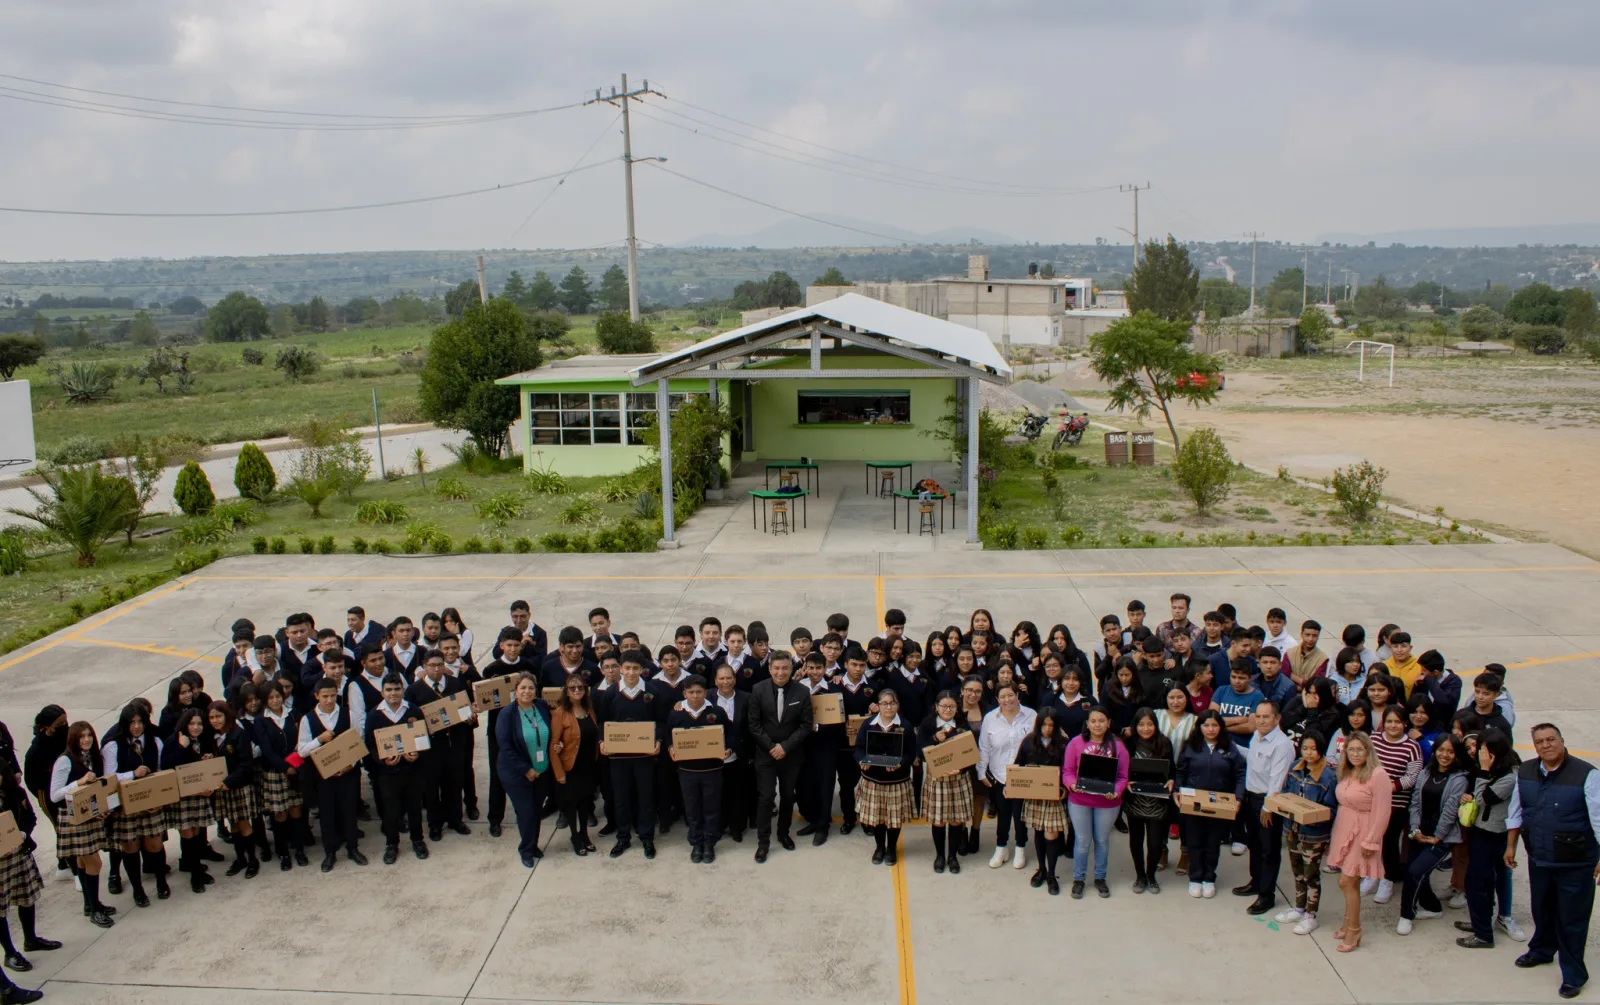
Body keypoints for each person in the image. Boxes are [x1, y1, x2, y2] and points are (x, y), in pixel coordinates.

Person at [1505, 723, 1600, 998]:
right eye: (1539, 742)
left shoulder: (1587, 774)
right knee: (1542, 910)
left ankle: (1573, 974)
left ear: (1561, 740)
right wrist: (1511, 846)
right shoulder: (1525, 771)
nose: (1546, 745)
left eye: (1551, 739)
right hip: (1540, 857)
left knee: (1572, 920)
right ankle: (1542, 950)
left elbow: (1598, 817)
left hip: (1576, 863)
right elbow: (1516, 811)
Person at [1326, 731, 1393, 953]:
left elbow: (1383, 812)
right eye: (1351, 750)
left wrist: (1371, 841)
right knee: (1349, 882)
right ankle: (1347, 924)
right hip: (1344, 828)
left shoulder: (1378, 774)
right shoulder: (1348, 771)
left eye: (1359, 749)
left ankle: (1355, 930)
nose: (1355, 754)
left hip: (1364, 833)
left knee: (1346, 881)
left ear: (1368, 751)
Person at [1456, 727, 1522, 949]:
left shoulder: (1509, 777)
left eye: (1483, 748)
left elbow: (1485, 798)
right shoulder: (1494, 769)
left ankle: (1483, 934)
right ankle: (1480, 922)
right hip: (1481, 831)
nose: (1478, 752)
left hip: (1492, 835)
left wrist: (1483, 770)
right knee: (1484, 882)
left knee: (1476, 883)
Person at [1398, 734, 1468, 935]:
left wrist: (1437, 836)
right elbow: (1415, 803)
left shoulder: (1459, 779)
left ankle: (1406, 915)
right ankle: (1433, 907)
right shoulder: (1425, 773)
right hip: (1420, 830)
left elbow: (1450, 810)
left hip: (1442, 837)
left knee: (1415, 872)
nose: (1444, 755)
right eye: (1441, 750)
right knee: (1414, 871)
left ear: (1456, 755)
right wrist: (1415, 829)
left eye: (1450, 751)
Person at [296, 677, 368, 872]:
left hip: (347, 774)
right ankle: (330, 852)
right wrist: (319, 739)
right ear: (317, 696)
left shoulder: (349, 715)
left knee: (349, 810)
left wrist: (350, 764)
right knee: (327, 814)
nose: (329, 700)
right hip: (323, 776)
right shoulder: (308, 719)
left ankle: (353, 848)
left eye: (333, 695)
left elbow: (359, 741)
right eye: (325, 696)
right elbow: (302, 751)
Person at [101, 703, 170, 905]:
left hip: (150, 803)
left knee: (155, 843)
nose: (136, 727)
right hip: (125, 807)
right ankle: (138, 890)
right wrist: (133, 774)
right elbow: (109, 777)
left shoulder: (155, 741)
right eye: (132, 722)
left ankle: (161, 882)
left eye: (140, 722)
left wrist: (158, 799)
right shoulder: (113, 746)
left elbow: (160, 770)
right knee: (130, 847)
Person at [747, 651, 812, 864]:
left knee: (787, 796)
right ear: (770, 669)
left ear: (791, 669)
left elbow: (805, 725)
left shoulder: (802, 692)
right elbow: (754, 724)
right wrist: (771, 746)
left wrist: (785, 747)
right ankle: (763, 842)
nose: (781, 672)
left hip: (791, 755)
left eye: (785, 668)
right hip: (765, 755)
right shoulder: (758, 690)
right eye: (776, 668)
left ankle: (783, 834)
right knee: (766, 797)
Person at [598, 652, 662, 860]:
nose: (631, 673)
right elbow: (601, 722)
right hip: (619, 758)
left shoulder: (651, 692)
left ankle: (646, 838)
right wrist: (602, 742)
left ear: (642, 670)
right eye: (627, 668)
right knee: (621, 798)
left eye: (635, 669)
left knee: (646, 797)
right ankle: (623, 837)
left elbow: (660, 722)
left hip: (644, 756)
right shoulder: (610, 694)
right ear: (620, 669)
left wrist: (658, 742)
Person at [404, 651, 474, 842]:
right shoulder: (414, 690)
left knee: (454, 783)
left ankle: (455, 819)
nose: (436, 669)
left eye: (439, 665)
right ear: (425, 667)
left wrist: (469, 717)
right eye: (432, 665)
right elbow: (410, 721)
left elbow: (464, 707)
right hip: (430, 748)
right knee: (432, 788)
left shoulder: (454, 684)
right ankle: (435, 824)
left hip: (454, 743)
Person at [1060, 706, 1129, 899]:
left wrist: (1116, 791)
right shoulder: (1075, 743)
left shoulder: (1118, 746)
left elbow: (1123, 776)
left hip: (1107, 803)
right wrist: (1072, 785)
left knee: (1101, 840)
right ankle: (1079, 879)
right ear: (1087, 724)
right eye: (1093, 721)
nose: (1097, 725)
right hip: (1080, 799)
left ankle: (1100, 877)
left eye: (1101, 720)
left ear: (1108, 723)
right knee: (1082, 841)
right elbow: (1067, 771)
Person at [1176, 709, 1245, 898]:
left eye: (1215, 725)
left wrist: (1238, 798)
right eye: (1206, 725)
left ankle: (1209, 877)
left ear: (1221, 727)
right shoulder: (1191, 746)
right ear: (1200, 727)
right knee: (1194, 841)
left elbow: (1240, 774)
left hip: (1219, 804)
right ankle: (1195, 877)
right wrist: (1177, 791)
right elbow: (1181, 772)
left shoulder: (1229, 747)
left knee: (1213, 842)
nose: (1211, 729)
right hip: (1194, 801)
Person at [1276, 730, 1339, 935]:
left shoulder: (1328, 776)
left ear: (1321, 750)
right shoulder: (1295, 767)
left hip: (1313, 834)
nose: (1309, 753)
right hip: (1292, 828)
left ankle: (1311, 915)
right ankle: (1299, 906)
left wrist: (1312, 814)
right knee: (1297, 871)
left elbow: (1331, 810)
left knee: (1311, 873)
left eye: (1313, 749)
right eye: (1305, 748)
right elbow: (1286, 793)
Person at [364, 673, 428, 864]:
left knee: (414, 808)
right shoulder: (374, 715)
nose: (393, 693)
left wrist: (418, 754)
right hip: (388, 774)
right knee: (390, 811)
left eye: (397, 689)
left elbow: (423, 738)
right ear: (382, 692)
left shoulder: (413, 711)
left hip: (412, 771)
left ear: (403, 690)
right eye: (389, 690)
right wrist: (384, 762)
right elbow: (370, 745)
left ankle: (418, 840)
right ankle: (392, 844)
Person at [0, 763, 49, 1002]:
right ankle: (10, 953)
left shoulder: (15, 793)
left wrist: (22, 833)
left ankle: (30, 939)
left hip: (18, 853)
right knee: (0, 911)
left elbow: (29, 817)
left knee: (27, 896)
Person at [1239, 700, 1294, 915]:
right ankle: (1256, 881)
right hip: (1250, 797)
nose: (1261, 721)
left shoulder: (1281, 744)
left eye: (1266, 717)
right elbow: (1252, 759)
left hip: (1267, 803)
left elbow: (1277, 779)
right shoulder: (1257, 737)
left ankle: (1266, 895)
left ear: (1277, 718)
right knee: (1253, 843)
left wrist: (1267, 807)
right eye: (1258, 716)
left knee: (1269, 849)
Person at [667, 675, 729, 864]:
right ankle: (696, 842)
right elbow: (668, 735)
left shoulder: (716, 712)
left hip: (712, 769)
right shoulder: (676, 714)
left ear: (705, 692)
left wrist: (729, 749)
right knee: (692, 808)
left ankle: (709, 843)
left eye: (699, 692)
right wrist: (670, 748)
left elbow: (731, 733)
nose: (695, 696)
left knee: (711, 808)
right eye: (691, 692)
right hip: (687, 771)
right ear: (684, 693)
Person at [852, 689, 916, 866]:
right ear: (877, 705)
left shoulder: (906, 726)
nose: (889, 707)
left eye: (893, 703)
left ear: (898, 705)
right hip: (873, 780)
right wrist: (861, 761)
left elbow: (911, 754)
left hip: (896, 781)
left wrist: (900, 763)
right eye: (885, 703)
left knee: (893, 819)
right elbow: (858, 749)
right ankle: (879, 847)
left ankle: (891, 848)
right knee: (878, 818)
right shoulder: (868, 725)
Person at [495, 673, 553, 868]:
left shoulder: (542, 707)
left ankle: (533, 844)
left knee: (536, 810)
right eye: (523, 688)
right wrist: (526, 769)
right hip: (517, 773)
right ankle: (526, 850)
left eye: (530, 688)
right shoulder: (507, 714)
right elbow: (506, 746)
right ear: (515, 691)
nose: (527, 692)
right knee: (526, 812)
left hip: (542, 770)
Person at [978, 683, 1037, 871]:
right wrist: (981, 772)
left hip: (1023, 774)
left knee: (1020, 815)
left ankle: (1020, 847)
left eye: (1011, 695)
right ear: (997, 699)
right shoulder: (990, 718)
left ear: (1018, 695)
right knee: (1003, 814)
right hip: (1000, 774)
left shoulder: (1031, 715)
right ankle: (1001, 847)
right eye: (1002, 696)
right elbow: (985, 747)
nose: (1007, 700)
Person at [1370, 705, 1423, 903]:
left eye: (1397, 722)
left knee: (1389, 841)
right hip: (1371, 798)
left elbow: (1412, 775)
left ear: (1405, 724)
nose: (1393, 726)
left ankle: (1388, 878)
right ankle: (1371, 874)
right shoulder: (1374, 740)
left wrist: (1390, 787)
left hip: (1396, 802)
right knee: (1370, 838)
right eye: (1389, 721)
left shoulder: (1411, 747)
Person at [917, 691, 974, 876]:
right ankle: (940, 856)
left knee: (957, 820)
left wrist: (962, 769)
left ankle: (953, 856)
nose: (947, 710)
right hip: (937, 778)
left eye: (952, 707)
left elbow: (971, 753)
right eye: (944, 707)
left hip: (958, 778)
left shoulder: (963, 725)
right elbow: (919, 753)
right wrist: (934, 739)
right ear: (936, 707)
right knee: (939, 820)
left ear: (957, 708)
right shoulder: (928, 724)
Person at [253, 683, 309, 870]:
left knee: (296, 810)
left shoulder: (293, 714)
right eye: (270, 698)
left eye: (278, 696)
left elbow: (300, 740)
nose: (275, 700)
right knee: (280, 814)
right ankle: (283, 852)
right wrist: (285, 768)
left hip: (295, 768)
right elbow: (267, 750)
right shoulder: (261, 720)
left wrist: (293, 765)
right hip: (275, 773)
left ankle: (299, 850)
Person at [207, 701, 260, 879]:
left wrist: (229, 781)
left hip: (238, 786)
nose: (215, 720)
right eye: (212, 717)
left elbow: (246, 764)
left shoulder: (238, 734)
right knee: (233, 825)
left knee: (244, 824)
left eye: (218, 716)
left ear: (226, 716)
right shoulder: (212, 737)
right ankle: (240, 858)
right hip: (223, 789)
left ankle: (252, 860)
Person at [550, 675, 600, 856]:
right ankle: (574, 835)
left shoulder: (590, 710)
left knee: (586, 802)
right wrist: (559, 773)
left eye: (580, 687)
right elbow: (554, 745)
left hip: (588, 766)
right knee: (572, 804)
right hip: (570, 767)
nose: (577, 690)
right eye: (572, 688)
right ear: (566, 691)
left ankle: (584, 834)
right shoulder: (560, 713)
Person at [1125, 708, 1173, 895]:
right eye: (1141, 724)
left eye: (1150, 724)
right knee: (1136, 840)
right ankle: (1140, 875)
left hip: (1157, 802)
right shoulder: (1128, 744)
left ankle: (1151, 875)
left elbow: (1172, 770)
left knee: (1154, 843)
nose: (1146, 728)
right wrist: (1126, 781)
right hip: (1134, 800)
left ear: (1156, 725)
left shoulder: (1164, 743)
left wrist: (1171, 780)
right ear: (1135, 726)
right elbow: (1122, 769)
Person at [710, 666, 752, 843]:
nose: (725, 682)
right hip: (712, 756)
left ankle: (737, 828)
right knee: (716, 794)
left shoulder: (746, 698)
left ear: (735, 679)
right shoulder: (706, 697)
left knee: (737, 793)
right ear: (715, 681)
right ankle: (718, 826)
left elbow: (749, 727)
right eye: (721, 679)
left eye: (729, 678)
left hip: (737, 755)